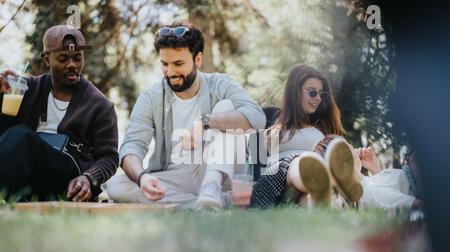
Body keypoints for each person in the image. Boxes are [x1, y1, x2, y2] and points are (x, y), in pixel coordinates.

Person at [106, 22, 266, 209]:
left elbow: (257, 117)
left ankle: (211, 188)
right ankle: (216, 203)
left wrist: (204, 122)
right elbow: (132, 145)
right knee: (117, 185)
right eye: (165, 64)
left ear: (198, 59)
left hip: (219, 171)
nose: (171, 72)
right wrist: (142, 178)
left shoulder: (220, 84)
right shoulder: (151, 97)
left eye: (178, 63)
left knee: (225, 107)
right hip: (177, 176)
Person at [0, 25, 119, 202]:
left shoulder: (99, 105)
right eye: (63, 58)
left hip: (68, 176)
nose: (72, 65)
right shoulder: (26, 88)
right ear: (47, 58)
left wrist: (89, 177)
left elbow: (109, 157)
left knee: (23, 137)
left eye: (77, 58)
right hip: (29, 172)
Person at [249, 64, 348, 208]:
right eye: (312, 92)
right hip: (275, 180)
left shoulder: (322, 126)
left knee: (310, 200)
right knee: (299, 162)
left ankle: (331, 197)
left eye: (321, 94)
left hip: (307, 186)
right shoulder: (270, 118)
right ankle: (324, 183)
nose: (318, 98)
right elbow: (254, 159)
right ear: (295, 92)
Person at [299, 135, 422, 212]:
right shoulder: (370, 190)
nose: (354, 147)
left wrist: (376, 169)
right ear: (343, 159)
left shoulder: (370, 185)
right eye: (348, 146)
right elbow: (418, 207)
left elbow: (392, 189)